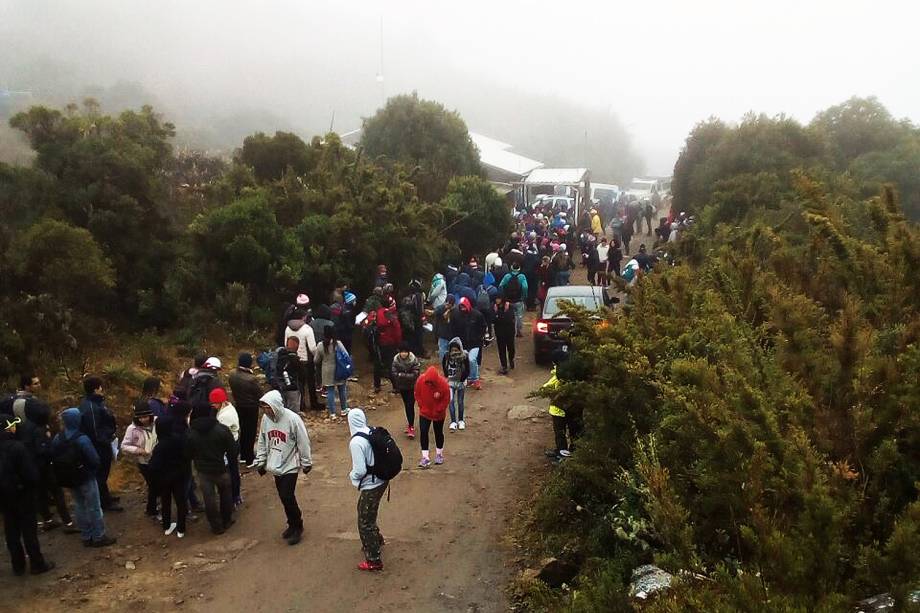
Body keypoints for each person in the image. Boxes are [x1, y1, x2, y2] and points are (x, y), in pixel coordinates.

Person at [13, 382, 75, 532]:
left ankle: (47, 519)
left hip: (32, 466)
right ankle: (68, 522)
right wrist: (51, 448)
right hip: (44, 465)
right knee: (57, 492)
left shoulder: (24, 426)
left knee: (40, 493)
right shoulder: (39, 430)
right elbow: (43, 450)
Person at [253, 390, 312, 546]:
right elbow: (262, 439)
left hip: (290, 464)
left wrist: (306, 462)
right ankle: (291, 524)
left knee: (287, 495)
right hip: (275, 464)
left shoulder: (293, 419)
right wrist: (261, 460)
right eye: (264, 408)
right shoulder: (266, 420)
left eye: (268, 407)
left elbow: (303, 441)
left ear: (276, 406)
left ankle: (297, 525)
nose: (266, 411)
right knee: (283, 496)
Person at [52, 408, 117, 547]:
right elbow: (94, 459)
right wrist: (92, 470)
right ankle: (99, 536)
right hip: (86, 476)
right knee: (94, 506)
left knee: (79, 505)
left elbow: (53, 455)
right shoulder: (82, 438)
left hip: (69, 477)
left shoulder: (58, 437)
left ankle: (86, 535)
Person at [1, 416, 55, 575]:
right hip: (23, 494)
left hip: (4, 497)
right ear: (8, 428)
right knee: (29, 531)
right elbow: (31, 475)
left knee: (11, 531)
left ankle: (17, 565)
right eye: (12, 425)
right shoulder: (18, 448)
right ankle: (37, 563)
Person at [185, 392, 237, 535]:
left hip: (203, 470)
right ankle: (227, 519)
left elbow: (187, 453)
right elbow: (232, 450)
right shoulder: (221, 430)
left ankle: (216, 526)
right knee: (226, 493)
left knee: (209, 498)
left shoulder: (190, 434)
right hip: (221, 467)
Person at [347, 408, 388, 572]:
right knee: (368, 513)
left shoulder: (356, 442)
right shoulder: (371, 431)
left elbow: (360, 470)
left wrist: (353, 478)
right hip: (382, 479)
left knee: (364, 521)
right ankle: (376, 540)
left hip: (371, 484)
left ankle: (374, 559)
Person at [77, 376, 122, 512]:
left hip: (102, 443)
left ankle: (106, 496)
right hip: (98, 446)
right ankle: (104, 502)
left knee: (103, 473)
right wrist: (107, 439)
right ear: (96, 389)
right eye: (101, 387)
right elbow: (95, 431)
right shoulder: (91, 407)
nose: (102, 389)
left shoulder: (96, 403)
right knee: (100, 474)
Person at [149, 415, 190, 538]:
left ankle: (167, 526)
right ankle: (181, 529)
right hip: (179, 475)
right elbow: (186, 455)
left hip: (164, 478)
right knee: (181, 501)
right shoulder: (179, 440)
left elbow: (153, 465)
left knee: (165, 501)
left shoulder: (159, 446)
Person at [542, 351, 583, 461]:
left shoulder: (560, 373)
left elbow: (547, 387)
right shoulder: (575, 371)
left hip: (558, 409)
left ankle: (562, 454)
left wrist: (544, 390)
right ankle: (575, 452)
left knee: (560, 433)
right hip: (574, 409)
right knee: (574, 431)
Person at [120, 401, 157, 518]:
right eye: (140, 417)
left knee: (158, 484)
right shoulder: (132, 428)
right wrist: (138, 450)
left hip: (158, 459)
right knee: (153, 485)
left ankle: (155, 505)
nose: (143, 420)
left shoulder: (158, 422)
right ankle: (151, 509)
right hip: (144, 462)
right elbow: (124, 446)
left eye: (145, 417)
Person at [228, 352, 262, 466]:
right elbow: (259, 394)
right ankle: (249, 458)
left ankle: (242, 455)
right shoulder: (252, 379)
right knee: (250, 432)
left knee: (241, 430)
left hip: (239, 405)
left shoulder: (232, 374)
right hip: (251, 407)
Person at [211, 388, 242, 506]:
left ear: (221, 402)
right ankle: (236, 495)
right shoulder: (229, 407)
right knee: (233, 470)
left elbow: (221, 434)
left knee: (231, 471)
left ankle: (234, 496)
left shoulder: (224, 416)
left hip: (229, 445)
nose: (213, 405)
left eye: (215, 403)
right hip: (233, 442)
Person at [284, 309, 319, 411]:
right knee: (310, 383)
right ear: (303, 317)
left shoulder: (287, 328)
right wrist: (317, 358)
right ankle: (313, 403)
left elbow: (285, 343)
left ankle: (301, 404)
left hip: (291, 359)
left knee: (298, 383)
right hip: (305, 360)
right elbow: (312, 348)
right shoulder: (307, 329)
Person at [414, 367, 449, 468]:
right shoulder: (421, 380)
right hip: (425, 412)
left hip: (438, 414)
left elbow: (446, 399)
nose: (429, 384)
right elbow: (417, 393)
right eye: (428, 382)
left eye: (431, 383)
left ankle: (439, 454)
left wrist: (439, 410)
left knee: (438, 433)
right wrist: (421, 404)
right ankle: (425, 457)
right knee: (424, 432)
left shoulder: (443, 384)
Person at [314, 326, 349, 420]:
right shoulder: (337, 343)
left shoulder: (320, 345)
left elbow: (316, 360)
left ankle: (332, 413)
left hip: (326, 371)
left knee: (330, 391)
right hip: (339, 369)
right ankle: (344, 409)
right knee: (342, 389)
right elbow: (346, 355)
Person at [451, 297, 486, 390]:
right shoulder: (456, 315)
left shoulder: (477, 315)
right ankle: (470, 377)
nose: (462, 309)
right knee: (465, 362)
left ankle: (475, 378)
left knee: (472, 359)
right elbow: (453, 328)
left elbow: (483, 326)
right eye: (461, 307)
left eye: (464, 307)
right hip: (463, 344)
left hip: (475, 343)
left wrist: (480, 337)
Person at [372, 294, 402, 394]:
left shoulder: (375, 314)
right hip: (390, 342)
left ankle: (377, 386)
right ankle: (396, 386)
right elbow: (397, 329)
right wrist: (398, 343)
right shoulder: (390, 314)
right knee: (391, 364)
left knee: (377, 364)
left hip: (377, 343)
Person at [391, 342, 420, 439]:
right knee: (406, 405)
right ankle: (410, 424)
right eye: (402, 352)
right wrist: (404, 376)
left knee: (410, 405)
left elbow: (415, 374)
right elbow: (394, 373)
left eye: (405, 352)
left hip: (412, 387)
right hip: (402, 387)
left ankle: (411, 426)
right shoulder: (396, 360)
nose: (403, 354)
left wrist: (402, 375)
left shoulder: (413, 360)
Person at [442, 338, 470, 431]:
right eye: (452, 350)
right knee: (450, 401)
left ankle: (461, 420)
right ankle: (453, 421)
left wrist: (462, 379)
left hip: (460, 382)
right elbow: (444, 365)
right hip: (450, 382)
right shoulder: (447, 356)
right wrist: (446, 375)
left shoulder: (464, 356)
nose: (454, 352)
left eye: (456, 350)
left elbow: (468, 369)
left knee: (460, 401)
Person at [499, 264, 528, 338]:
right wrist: (524, 296)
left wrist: (503, 297)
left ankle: (510, 331)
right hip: (518, 300)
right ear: (519, 269)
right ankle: (518, 331)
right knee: (519, 316)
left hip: (508, 300)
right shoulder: (522, 276)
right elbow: (525, 287)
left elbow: (500, 286)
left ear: (511, 268)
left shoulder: (507, 276)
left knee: (509, 316)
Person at [493, 293, 516, 375]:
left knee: (511, 348)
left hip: (509, 332)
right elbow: (493, 319)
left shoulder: (509, 306)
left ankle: (511, 359)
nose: (497, 300)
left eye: (498, 298)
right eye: (496, 299)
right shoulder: (494, 307)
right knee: (501, 350)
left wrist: (498, 315)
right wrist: (498, 315)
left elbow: (509, 319)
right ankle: (504, 366)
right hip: (499, 332)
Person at [433, 294, 456, 360]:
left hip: (453, 335)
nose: (447, 304)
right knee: (443, 353)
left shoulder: (456, 310)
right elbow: (435, 312)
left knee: (452, 355)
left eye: (450, 303)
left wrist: (449, 311)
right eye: (447, 302)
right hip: (443, 335)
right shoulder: (441, 308)